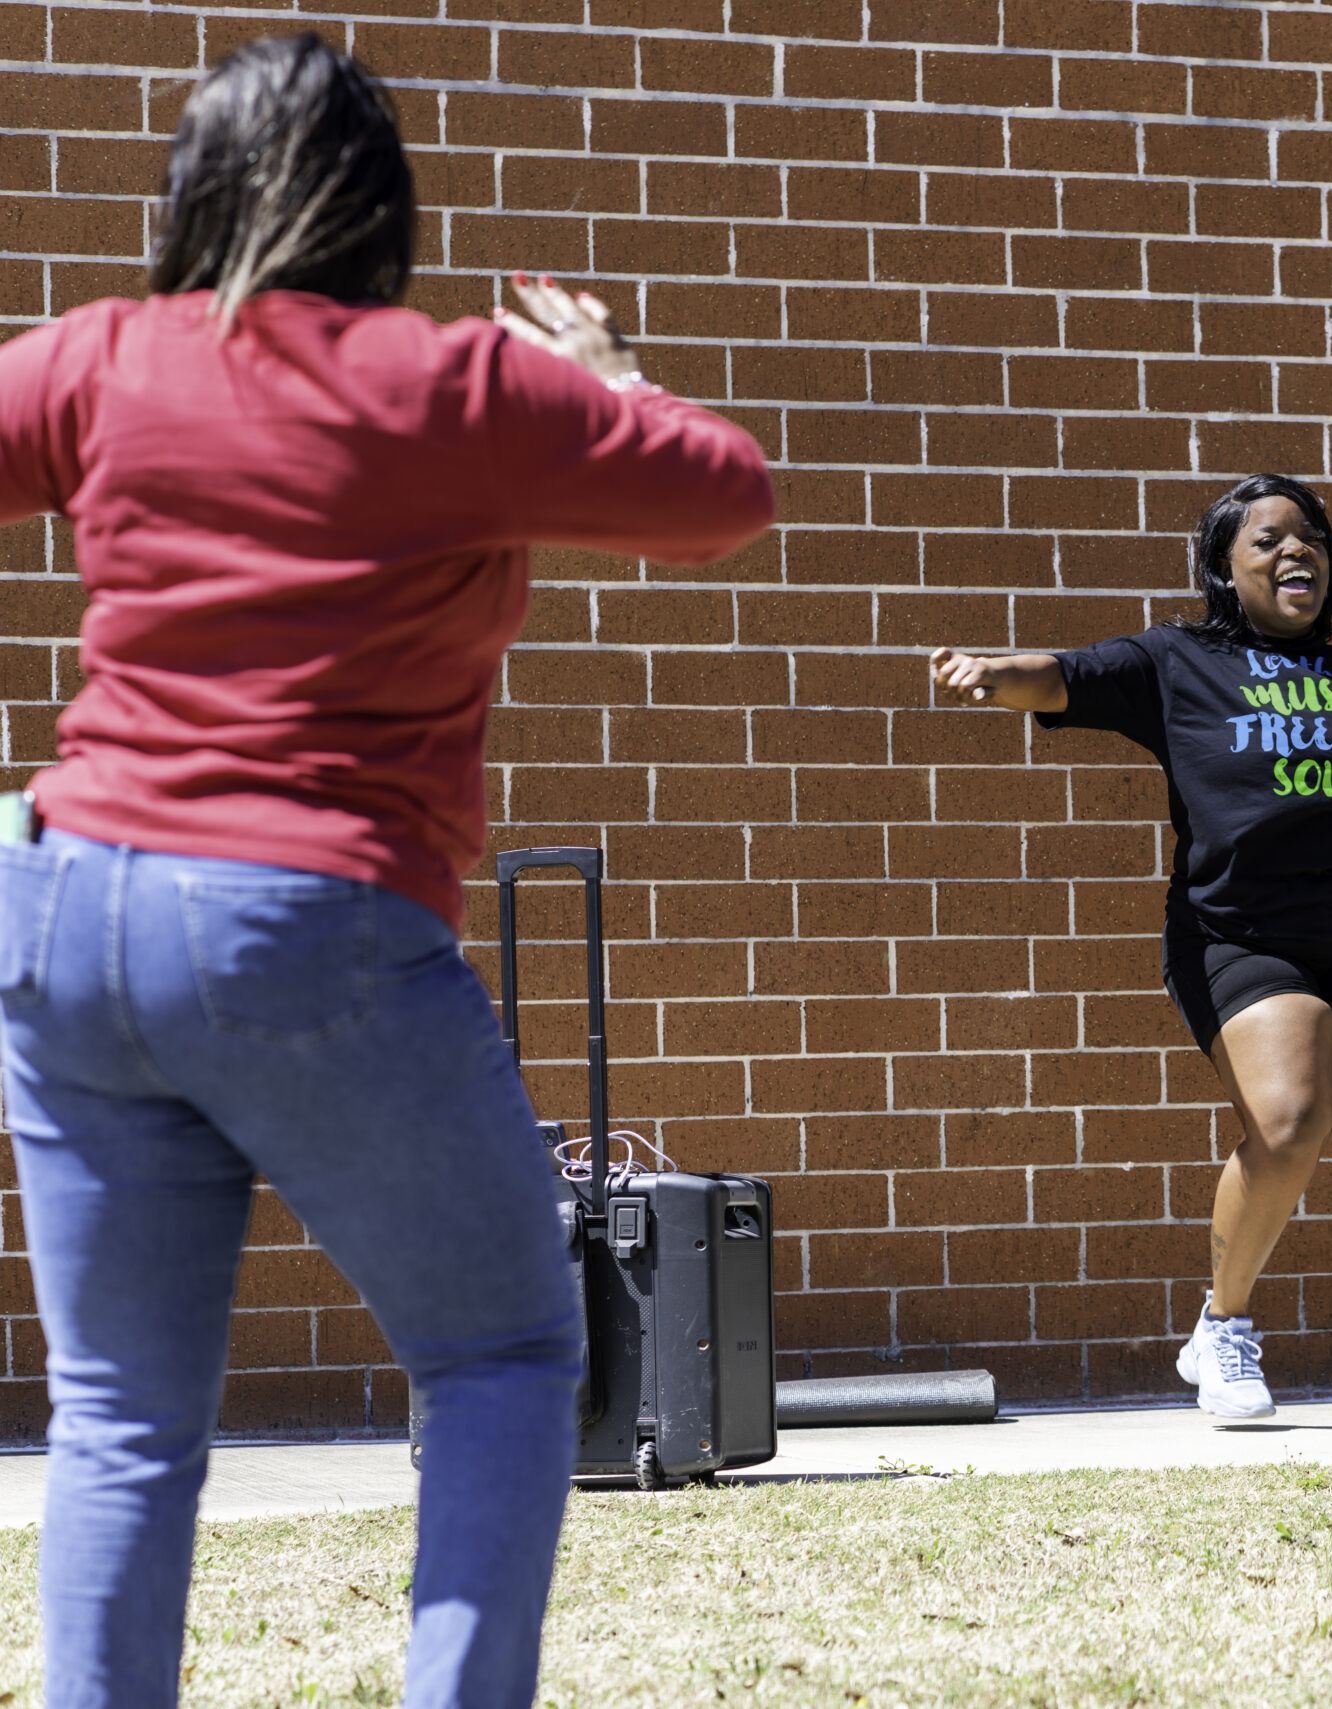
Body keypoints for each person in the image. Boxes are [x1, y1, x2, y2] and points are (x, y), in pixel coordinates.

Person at [0, 35, 771, 1709]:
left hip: (71, 905)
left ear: (191, 188)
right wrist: (611, 374)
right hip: (307, 916)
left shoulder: (105, 358)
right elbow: (726, 494)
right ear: (380, 209)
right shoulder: (460, 386)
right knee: (498, 1347)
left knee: (125, 1412)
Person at [929, 474, 1332, 1428]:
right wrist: (991, 669)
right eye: (1266, 541)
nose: (1293, 552)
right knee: (1290, 1120)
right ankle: (1222, 1327)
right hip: (1238, 931)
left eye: (1308, 538)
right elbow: (1063, 674)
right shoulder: (1179, 660)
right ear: (1227, 573)